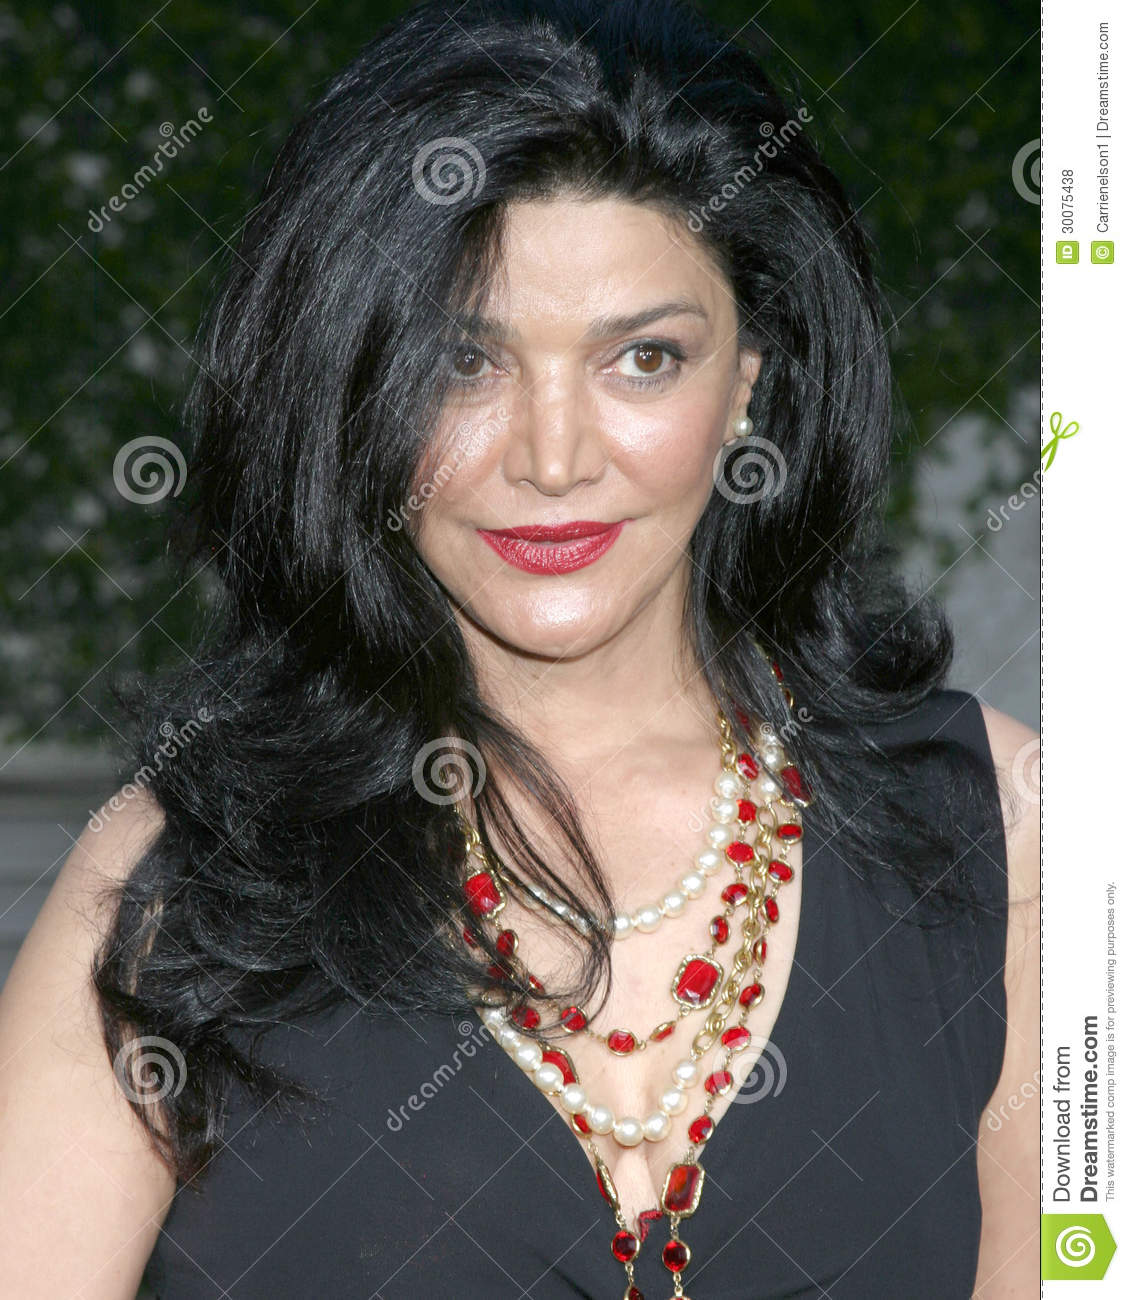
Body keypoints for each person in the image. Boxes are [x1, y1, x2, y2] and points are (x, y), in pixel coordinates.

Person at [0, 0, 1039, 1295]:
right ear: (356, 391)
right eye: (462, 363)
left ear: (748, 387)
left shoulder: (1000, 831)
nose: (554, 457)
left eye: (643, 358)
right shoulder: (180, 878)